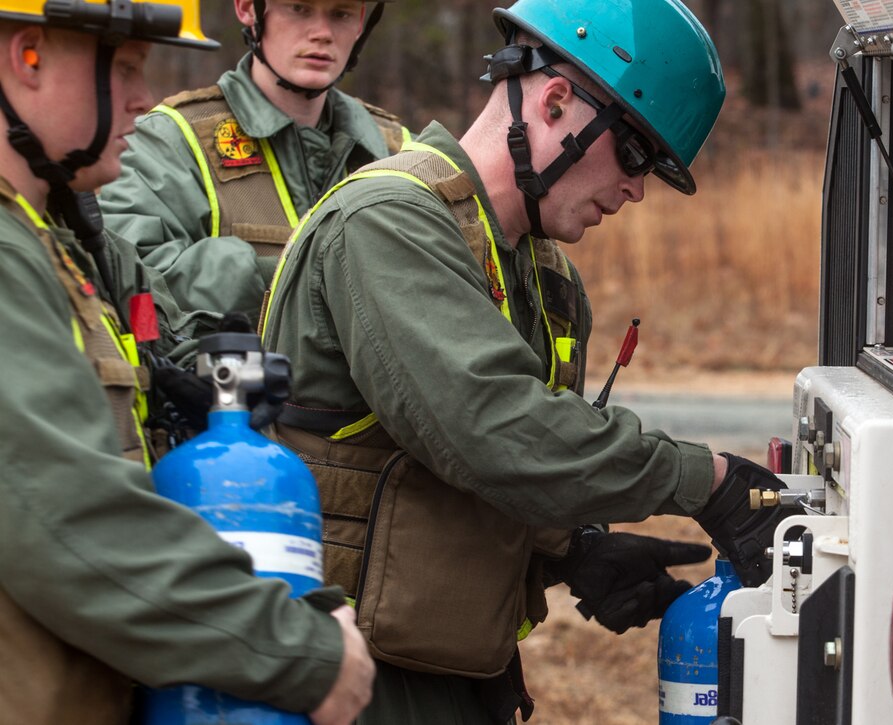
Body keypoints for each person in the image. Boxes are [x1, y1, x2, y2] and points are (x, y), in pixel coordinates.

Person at [260, 0, 789, 722]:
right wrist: (707, 480)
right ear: (556, 101)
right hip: (350, 675)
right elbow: (492, 427)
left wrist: (573, 549)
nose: (636, 188)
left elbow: (475, 465)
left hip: (458, 669)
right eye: (633, 150)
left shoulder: (542, 277)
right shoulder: (387, 223)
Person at [0, 2, 374, 722]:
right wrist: (299, 652)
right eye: (129, 66)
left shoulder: (62, 240)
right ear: (28, 56)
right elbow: (73, 527)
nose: (145, 97)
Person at [99, 0, 409, 326]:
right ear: (248, 9)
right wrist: (300, 277)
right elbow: (134, 281)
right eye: (299, 8)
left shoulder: (401, 150)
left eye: (340, 14)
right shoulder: (167, 141)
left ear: (361, 22)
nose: (322, 34)